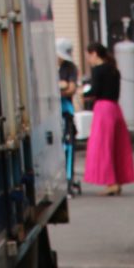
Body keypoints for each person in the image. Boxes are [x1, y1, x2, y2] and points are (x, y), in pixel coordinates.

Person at [82, 42, 134, 196]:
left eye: (88, 56)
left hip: (102, 109)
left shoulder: (98, 70)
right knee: (116, 145)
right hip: (115, 108)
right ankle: (117, 180)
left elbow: (95, 90)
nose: (88, 60)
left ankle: (110, 182)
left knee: (102, 146)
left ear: (94, 53)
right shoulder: (114, 69)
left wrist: (82, 94)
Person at [57, 39, 79, 193]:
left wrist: (60, 87)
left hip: (66, 111)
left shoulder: (70, 67)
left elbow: (71, 88)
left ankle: (69, 180)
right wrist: (61, 85)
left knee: (68, 146)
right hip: (51, 112)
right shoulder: (46, 64)